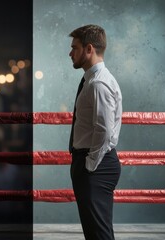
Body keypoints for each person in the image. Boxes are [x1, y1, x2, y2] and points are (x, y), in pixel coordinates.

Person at [68, 24, 122, 240]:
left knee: (99, 235)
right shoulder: (92, 79)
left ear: (89, 49)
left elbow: (105, 131)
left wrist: (89, 165)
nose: (70, 53)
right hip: (93, 165)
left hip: (95, 167)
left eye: (75, 47)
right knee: (96, 233)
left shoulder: (98, 83)